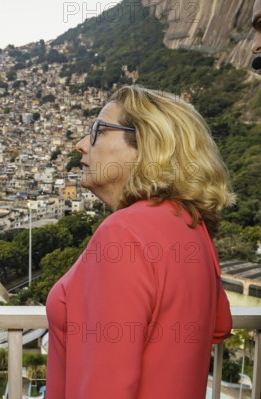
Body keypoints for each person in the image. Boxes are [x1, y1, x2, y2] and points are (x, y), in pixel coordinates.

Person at [45, 85, 234, 398]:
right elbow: (219, 326)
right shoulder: (192, 226)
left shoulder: (122, 234)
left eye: (98, 131)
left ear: (147, 145)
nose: (81, 145)